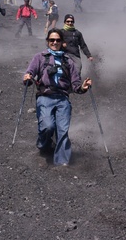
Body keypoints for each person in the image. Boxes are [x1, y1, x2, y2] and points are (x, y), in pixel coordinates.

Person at [23, 29, 92, 166]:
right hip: (45, 97)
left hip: (62, 98)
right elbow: (29, 73)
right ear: (47, 41)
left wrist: (84, 87)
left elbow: (76, 85)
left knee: (62, 131)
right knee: (48, 126)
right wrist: (27, 78)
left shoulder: (69, 61)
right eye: (52, 40)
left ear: (62, 43)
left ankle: (61, 162)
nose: (55, 42)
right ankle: (44, 144)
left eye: (58, 40)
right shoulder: (40, 57)